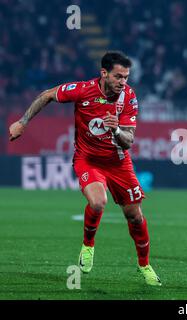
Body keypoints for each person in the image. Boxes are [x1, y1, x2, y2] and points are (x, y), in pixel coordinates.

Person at [9, 52, 161, 286]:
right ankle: (88, 246)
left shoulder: (129, 97)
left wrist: (116, 130)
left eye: (126, 77)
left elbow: (129, 141)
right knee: (98, 202)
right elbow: (47, 95)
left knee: (135, 216)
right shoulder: (82, 90)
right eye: (118, 76)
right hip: (88, 159)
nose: (123, 82)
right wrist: (23, 122)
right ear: (104, 73)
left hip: (119, 163)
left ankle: (145, 265)